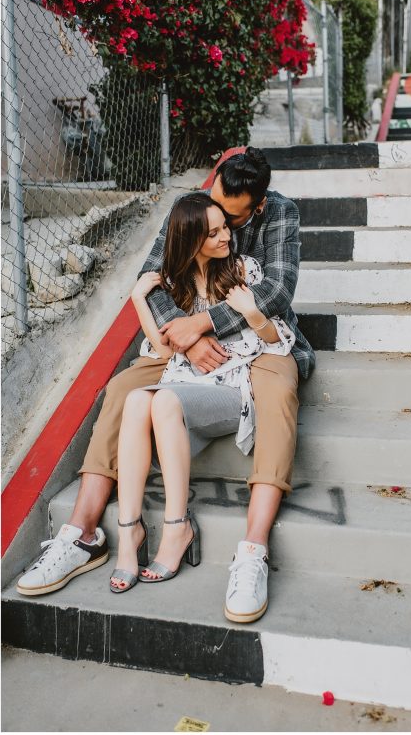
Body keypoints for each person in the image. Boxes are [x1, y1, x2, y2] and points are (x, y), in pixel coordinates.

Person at [16, 148, 312, 623]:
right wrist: (186, 338)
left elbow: (275, 293)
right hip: (186, 351)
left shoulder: (279, 214)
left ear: (255, 207)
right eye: (212, 203)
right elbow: (153, 276)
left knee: (276, 397)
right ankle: (83, 533)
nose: (217, 221)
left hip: (256, 343)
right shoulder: (196, 205)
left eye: (229, 218)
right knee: (123, 391)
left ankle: (253, 549)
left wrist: (204, 325)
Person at [109, 193, 294, 595]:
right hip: (184, 390)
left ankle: (177, 527)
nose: (226, 236)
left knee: (163, 399)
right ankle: (129, 533)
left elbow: (277, 340)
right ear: (190, 240)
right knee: (137, 399)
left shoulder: (245, 270)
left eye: (224, 227)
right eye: (212, 233)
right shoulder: (175, 284)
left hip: (230, 390)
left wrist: (251, 310)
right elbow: (163, 351)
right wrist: (138, 298)